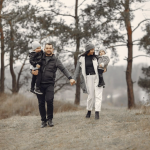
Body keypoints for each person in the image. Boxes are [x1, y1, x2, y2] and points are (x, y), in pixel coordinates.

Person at [31, 43, 75, 128]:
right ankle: (43, 121)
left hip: (50, 84)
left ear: (52, 49)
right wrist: (32, 71)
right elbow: (32, 64)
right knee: (41, 103)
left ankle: (50, 119)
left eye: (50, 48)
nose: (48, 49)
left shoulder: (55, 60)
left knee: (50, 100)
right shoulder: (40, 57)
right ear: (44, 49)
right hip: (39, 85)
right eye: (47, 48)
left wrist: (70, 78)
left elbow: (63, 69)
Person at [73, 43, 106, 120]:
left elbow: (104, 63)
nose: (93, 51)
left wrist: (105, 68)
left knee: (98, 95)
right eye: (92, 50)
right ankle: (89, 111)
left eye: (94, 49)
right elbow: (77, 70)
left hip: (98, 77)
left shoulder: (97, 57)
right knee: (90, 96)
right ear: (88, 50)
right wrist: (74, 79)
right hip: (88, 78)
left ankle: (97, 112)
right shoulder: (81, 58)